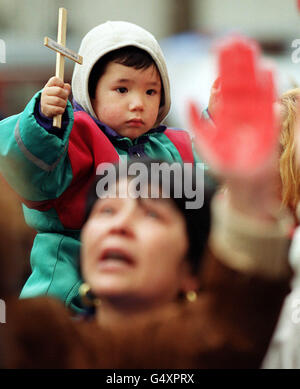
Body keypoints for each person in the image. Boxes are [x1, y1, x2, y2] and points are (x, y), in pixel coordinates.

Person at [0, 158, 293, 368]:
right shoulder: (43, 344)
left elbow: (230, 331)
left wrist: (249, 209)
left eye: (151, 214)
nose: (120, 225)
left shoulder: (215, 349)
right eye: (106, 210)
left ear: (192, 268)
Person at [0, 21, 204, 313]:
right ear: (90, 92)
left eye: (151, 92)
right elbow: (28, 171)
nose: (138, 103)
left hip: (148, 289)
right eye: (122, 89)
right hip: (70, 284)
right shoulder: (71, 134)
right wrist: (44, 122)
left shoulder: (172, 146)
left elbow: (202, 196)